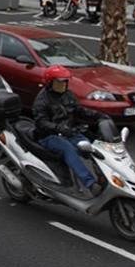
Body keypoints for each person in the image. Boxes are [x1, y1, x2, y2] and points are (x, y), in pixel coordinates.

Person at [32, 65, 107, 196]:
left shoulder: (68, 95)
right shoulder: (42, 100)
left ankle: (103, 177)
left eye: (65, 82)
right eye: (59, 82)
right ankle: (90, 184)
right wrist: (57, 128)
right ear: (50, 82)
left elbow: (79, 110)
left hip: (69, 132)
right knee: (68, 149)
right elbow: (41, 122)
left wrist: (99, 115)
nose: (63, 85)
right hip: (48, 136)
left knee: (91, 146)